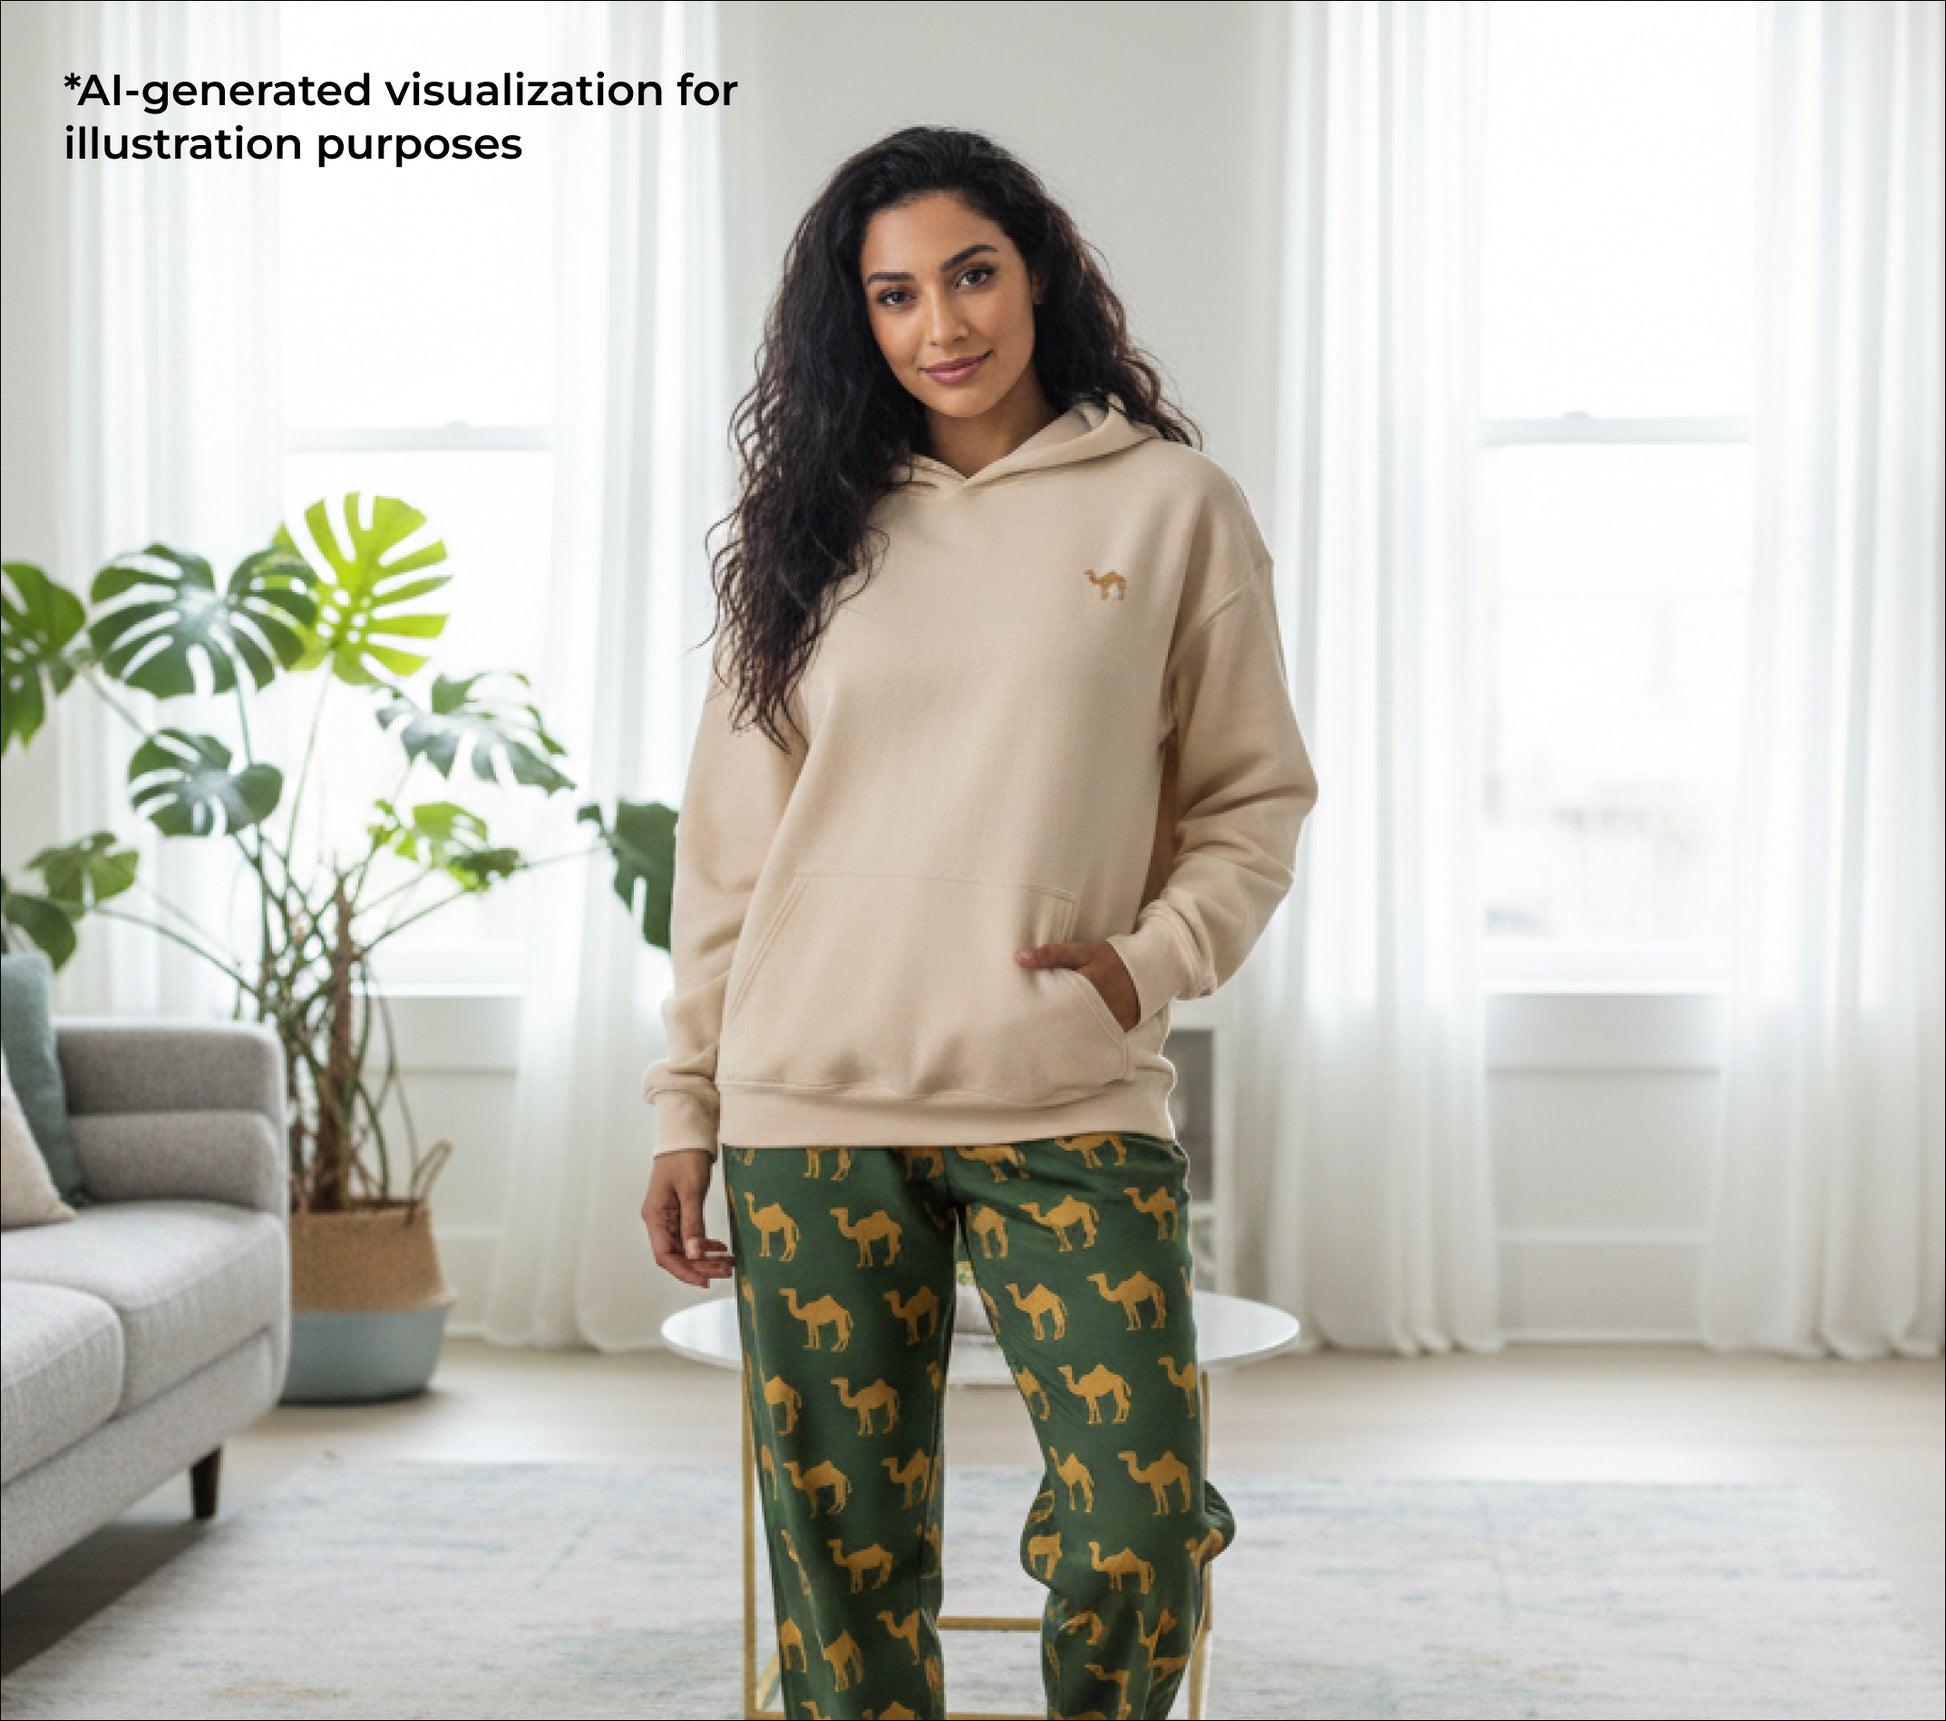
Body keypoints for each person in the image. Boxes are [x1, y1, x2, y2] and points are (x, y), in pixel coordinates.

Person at [640, 123, 1318, 1721]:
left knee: (1140, 1524)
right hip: (815, 1098)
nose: (939, 325)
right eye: (891, 295)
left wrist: (1145, 964)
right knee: (843, 1561)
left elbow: (1251, 801)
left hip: (1068, 1096)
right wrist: (686, 1101)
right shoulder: (807, 534)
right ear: (851, 323)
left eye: (969, 275)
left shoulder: (1169, 508)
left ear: (1039, 277)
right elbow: (729, 854)